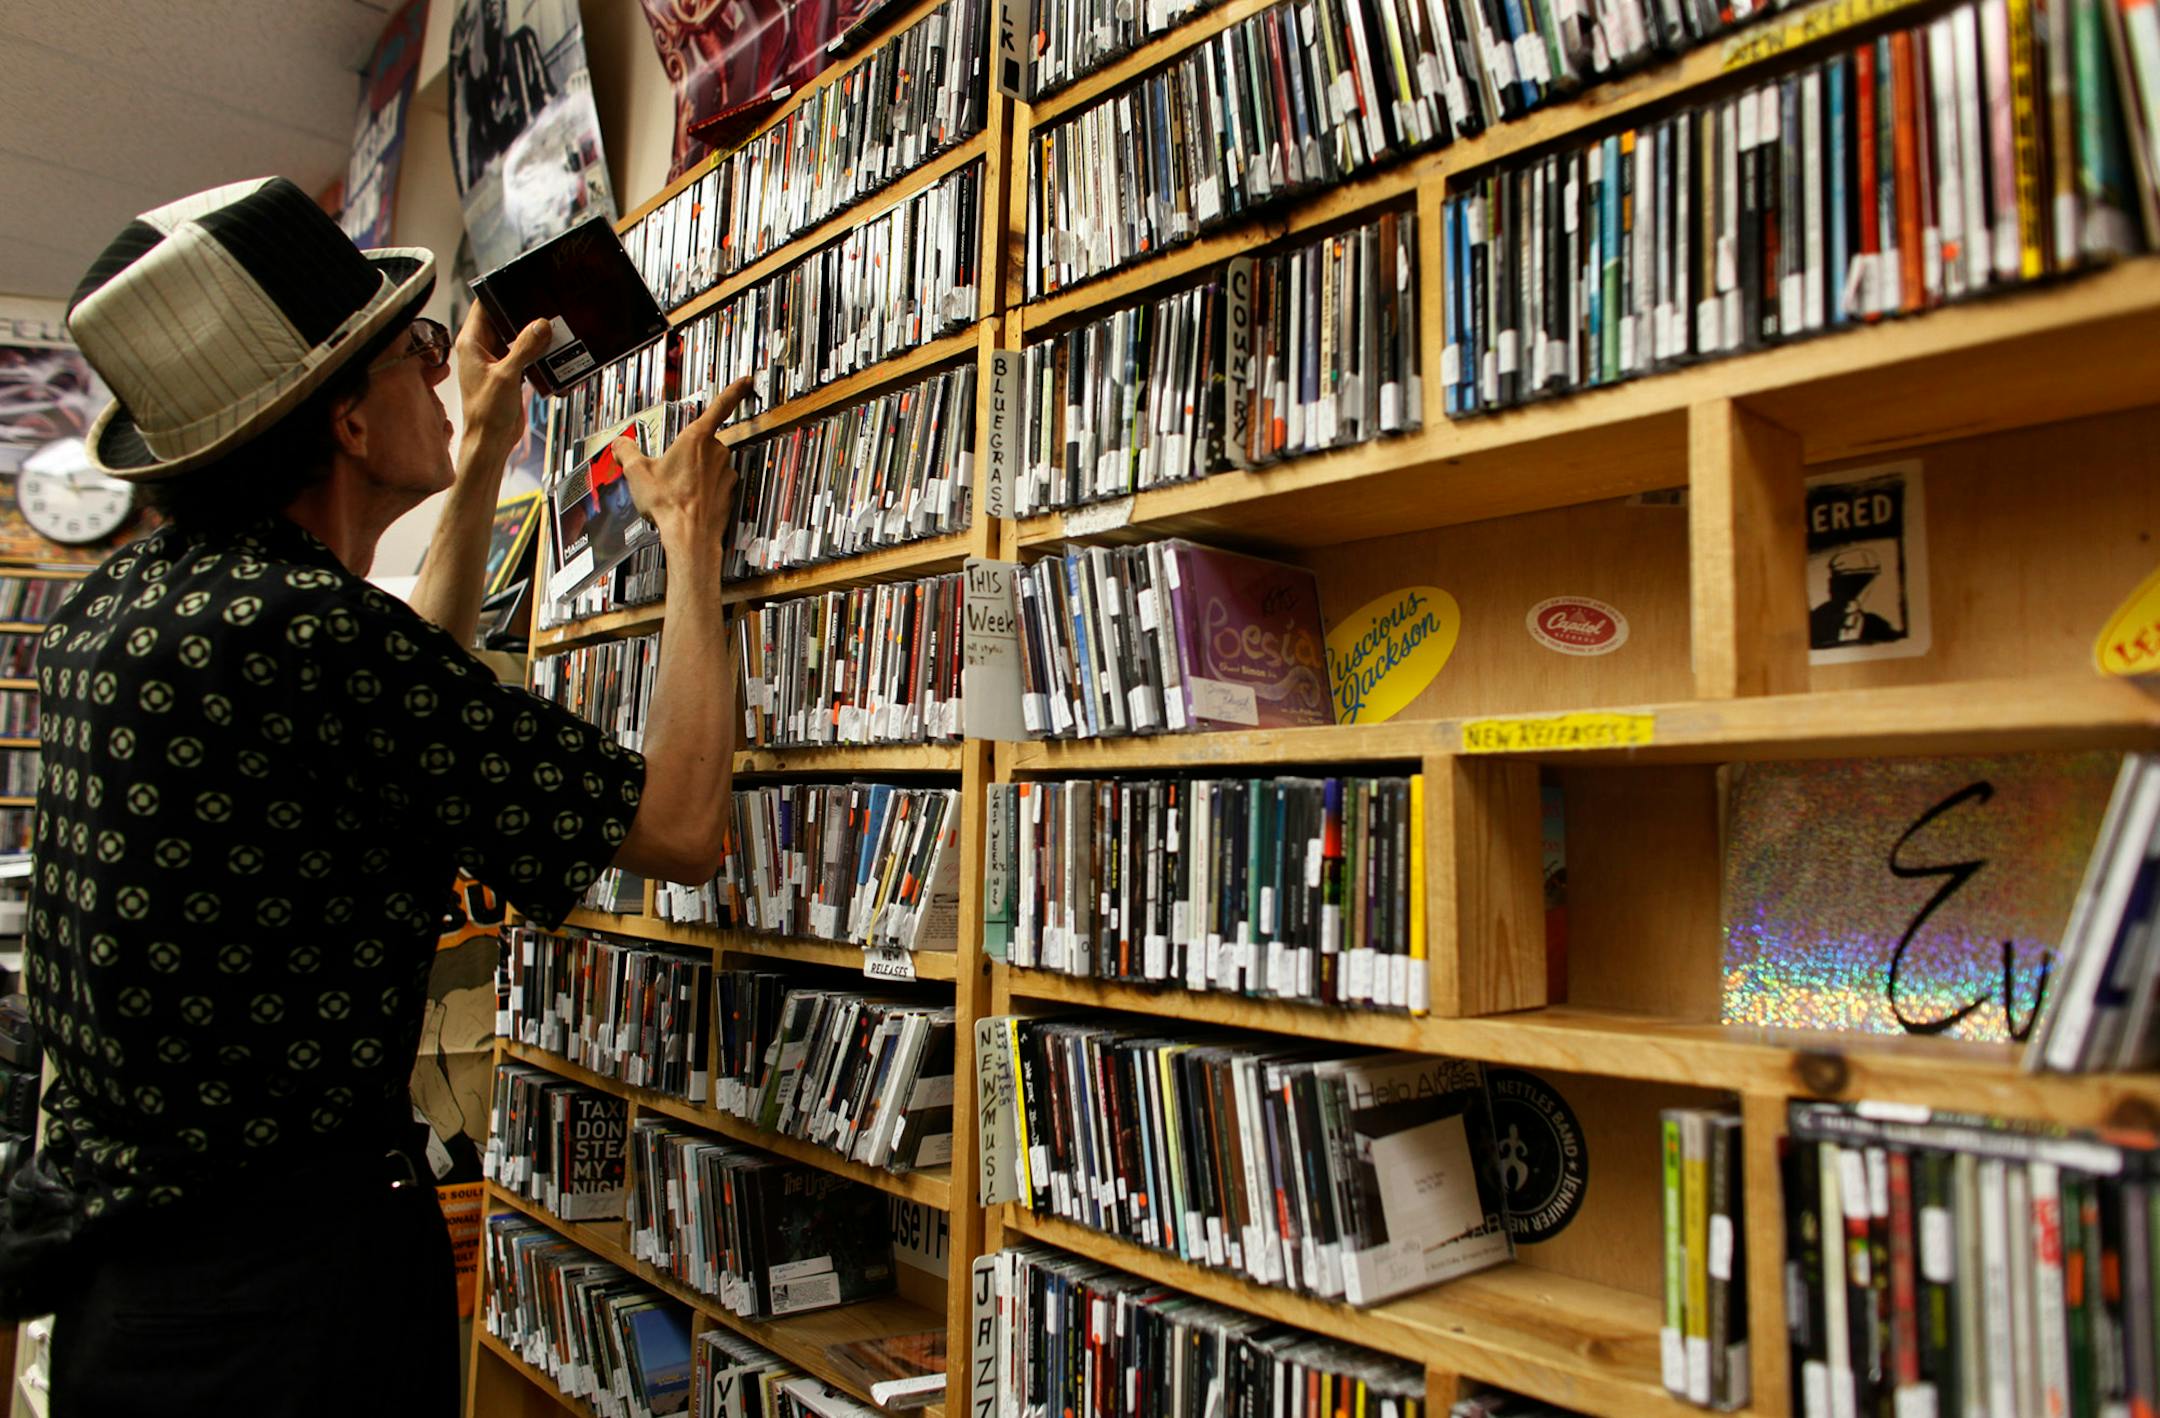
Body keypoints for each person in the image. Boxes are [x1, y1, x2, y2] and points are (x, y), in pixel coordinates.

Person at [21, 176, 745, 1416]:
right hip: (297, 1311)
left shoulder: (122, 610)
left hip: (131, 1301)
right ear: (347, 424)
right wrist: (689, 546)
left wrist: (479, 460)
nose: (438, 370)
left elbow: (397, 699)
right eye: (415, 351)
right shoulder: (316, 641)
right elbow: (681, 824)